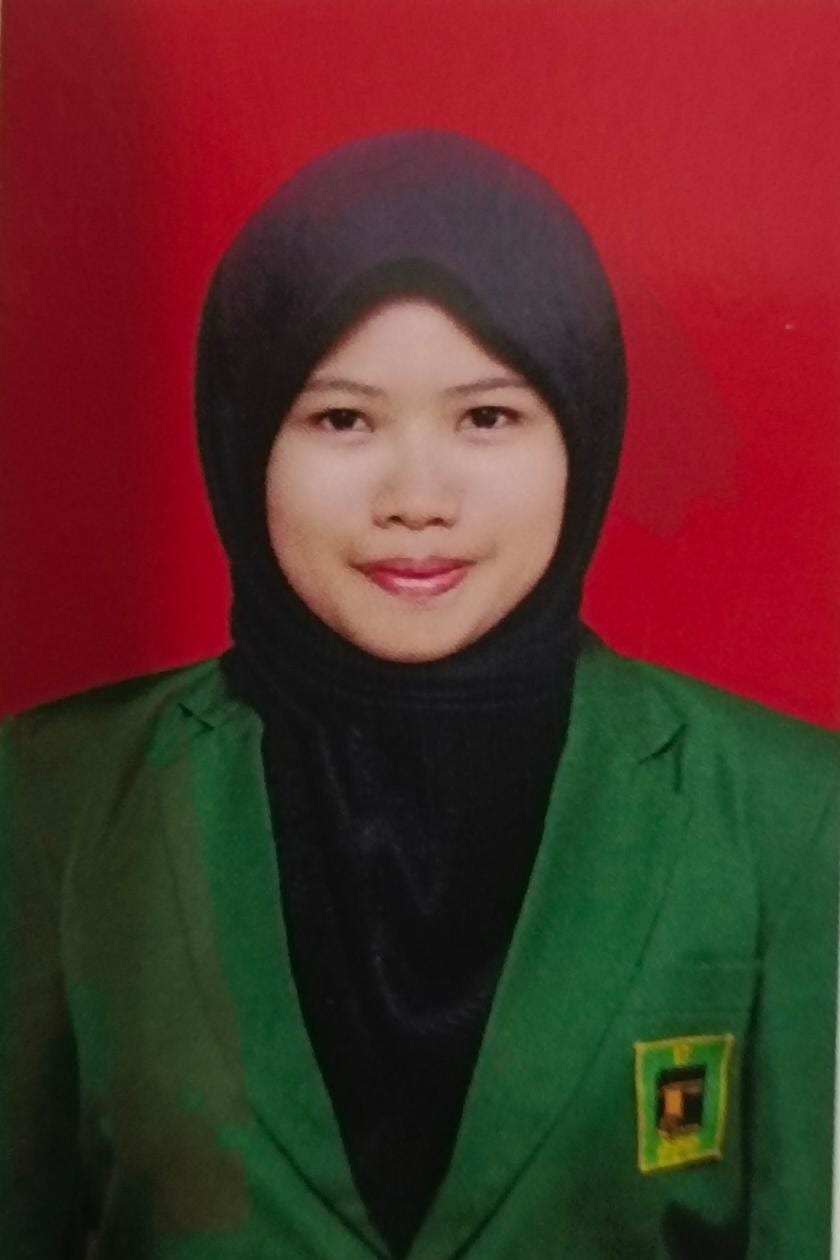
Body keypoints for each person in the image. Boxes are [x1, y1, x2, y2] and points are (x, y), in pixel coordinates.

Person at [1, 130, 837, 1260]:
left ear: (582, 432)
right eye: (342, 418)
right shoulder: (51, 801)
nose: (417, 497)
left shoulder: (794, 817)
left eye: (487, 416)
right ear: (245, 437)